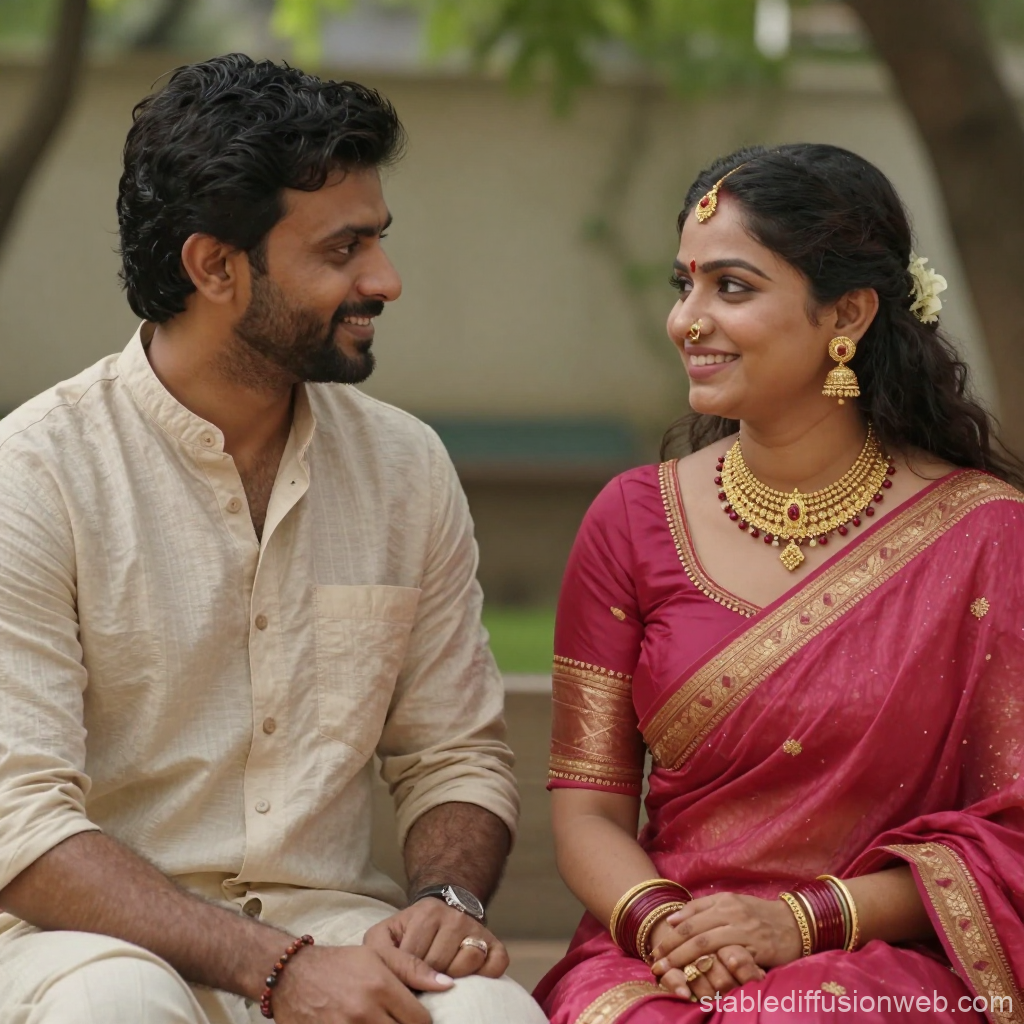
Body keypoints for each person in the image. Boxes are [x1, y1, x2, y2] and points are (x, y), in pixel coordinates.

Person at [0, 54, 547, 1024]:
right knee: (117, 1005)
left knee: (488, 1015)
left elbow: (453, 756)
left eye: (378, 240)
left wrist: (444, 900)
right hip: (82, 946)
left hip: (336, 930)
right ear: (214, 266)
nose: (386, 279)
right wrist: (275, 965)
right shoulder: (34, 473)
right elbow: (21, 822)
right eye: (342, 251)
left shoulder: (404, 467)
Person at [534, 144, 1024, 1023]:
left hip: (885, 962)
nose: (689, 319)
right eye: (683, 285)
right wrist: (667, 929)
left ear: (849, 313)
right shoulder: (631, 519)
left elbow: (1015, 835)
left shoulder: (985, 536)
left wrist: (800, 922)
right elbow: (587, 812)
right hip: (661, 953)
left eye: (732, 287)